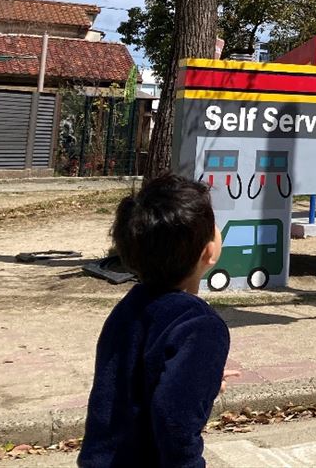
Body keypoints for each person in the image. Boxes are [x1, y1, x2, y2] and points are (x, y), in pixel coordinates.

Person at [79, 175, 232, 467]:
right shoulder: (202, 326)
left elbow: (134, 377)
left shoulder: (129, 307)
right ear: (209, 252)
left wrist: (204, 378)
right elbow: (175, 418)